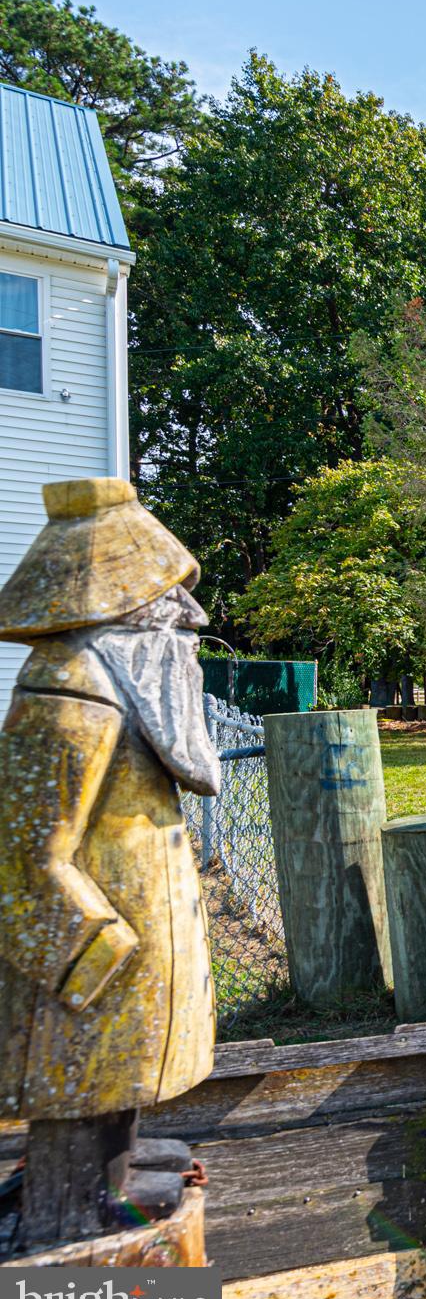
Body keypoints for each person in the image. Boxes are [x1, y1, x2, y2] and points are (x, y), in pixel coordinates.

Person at [0, 477, 218, 1246]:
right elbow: (25, 854)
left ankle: (115, 1168)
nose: (189, 616)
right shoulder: (70, 691)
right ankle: (72, 1210)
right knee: (83, 1073)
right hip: (95, 963)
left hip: (132, 943)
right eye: (166, 600)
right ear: (120, 612)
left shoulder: (119, 687)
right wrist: (93, 953)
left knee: (116, 1071)